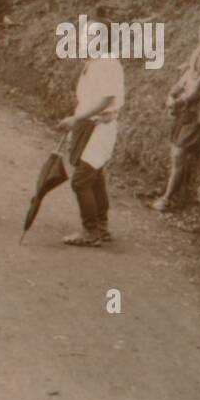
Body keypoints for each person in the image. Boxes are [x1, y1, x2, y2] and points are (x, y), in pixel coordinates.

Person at [152, 13, 200, 213]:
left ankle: (169, 199)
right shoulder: (199, 50)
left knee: (179, 152)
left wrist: (181, 101)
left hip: (197, 110)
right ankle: (170, 191)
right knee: (174, 151)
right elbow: (187, 77)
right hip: (184, 107)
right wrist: (173, 93)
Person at [58, 24, 125, 247]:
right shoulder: (95, 62)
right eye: (86, 35)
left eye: (94, 35)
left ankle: (91, 231)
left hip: (101, 128)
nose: (87, 39)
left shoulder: (107, 63)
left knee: (81, 181)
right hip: (90, 126)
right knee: (95, 178)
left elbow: (106, 99)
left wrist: (77, 119)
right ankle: (101, 226)